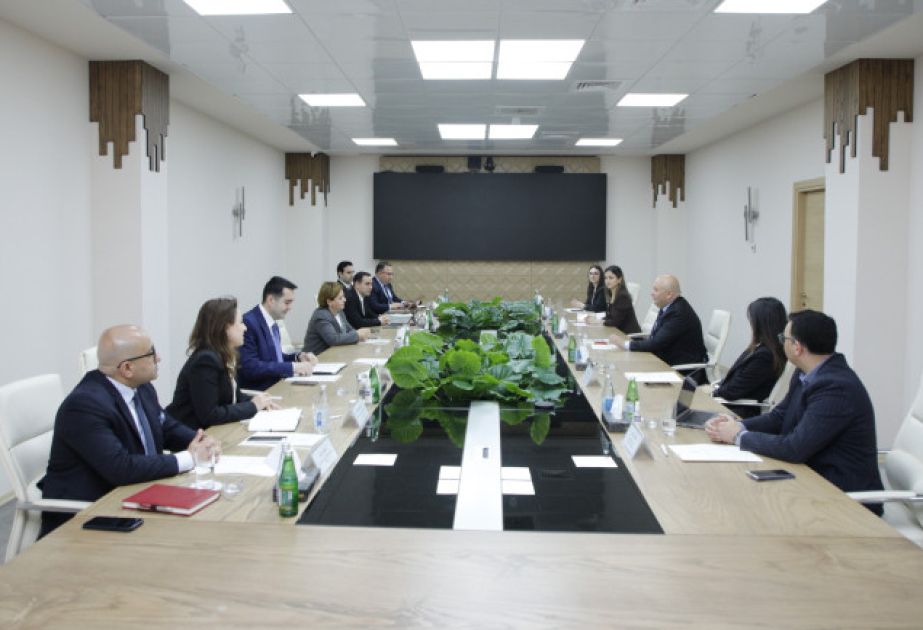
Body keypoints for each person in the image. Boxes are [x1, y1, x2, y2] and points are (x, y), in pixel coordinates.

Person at [39, 325, 220, 536]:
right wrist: (190, 458)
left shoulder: (141, 387)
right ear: (127, 368)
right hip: (93, 515)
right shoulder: (84, 405)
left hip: (137, 493)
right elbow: (120, 468)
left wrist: (201, 441)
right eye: (151, 354)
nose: (159, 358)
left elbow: (165, 426)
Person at [705, 310, 884, 514]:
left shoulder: (836, 388)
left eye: (784, 338)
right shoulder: (806, 372)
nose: (781, 342)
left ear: (797, 347)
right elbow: (779, 416)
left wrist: (737, 436)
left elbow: (794, 448)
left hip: (843, 498)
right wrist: (739, 425)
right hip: (811, 477)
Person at [168, 297, 278, 430]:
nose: (245, 328)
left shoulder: (225, 355)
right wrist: (253, 406)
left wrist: (260, 402)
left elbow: (235, 397)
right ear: (225, 328)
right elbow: (210, 415)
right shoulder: (205, 361)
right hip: (194, 436)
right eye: (240, 323)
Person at [609, 274, 707, 368]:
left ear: (669, 294)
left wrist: (625, 344)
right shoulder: (668, 306)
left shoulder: (678, 313)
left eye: (656, 290)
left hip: (678, 369)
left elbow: (656, 343)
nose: (651, 293)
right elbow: (655, 339)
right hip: (663, 359)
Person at [711, 297, 787, 418]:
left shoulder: (765, 357)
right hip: (731, 399)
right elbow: (738, 379)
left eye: (752, 320)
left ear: (760, 324)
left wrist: (712, 392)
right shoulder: (766, 346)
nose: (751, 324)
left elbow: (732, 392)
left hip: (738, 409)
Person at [238, 276, 317, 391]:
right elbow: (251, 367)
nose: (290, 308)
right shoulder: (249, 323)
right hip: (263, 391)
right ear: (271, 300)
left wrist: (298, 357)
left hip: (279, 385)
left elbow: (274, 358)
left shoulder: (272, 322)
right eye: (287, 302)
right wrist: (292, 367)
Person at [303, 281, 371, 354]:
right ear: (329, 301)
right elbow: (333, 339)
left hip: (334, 354)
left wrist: (361, 334)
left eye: (343, 297)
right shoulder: (321, 316)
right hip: (317, 357)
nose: (345, 300)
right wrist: (357, 335)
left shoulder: (339, 312)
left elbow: (349, 330)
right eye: (340, 298)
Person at [600, 265, 641, 334]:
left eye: (611, 278)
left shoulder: (623, 297)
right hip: (618, 332)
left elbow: (614, 322)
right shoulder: (611, 294)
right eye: (606, 278)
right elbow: (609, 317)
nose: (607, 281)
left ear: (619, 279)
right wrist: (597, 320)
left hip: (629, 336)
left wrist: (599, 322)